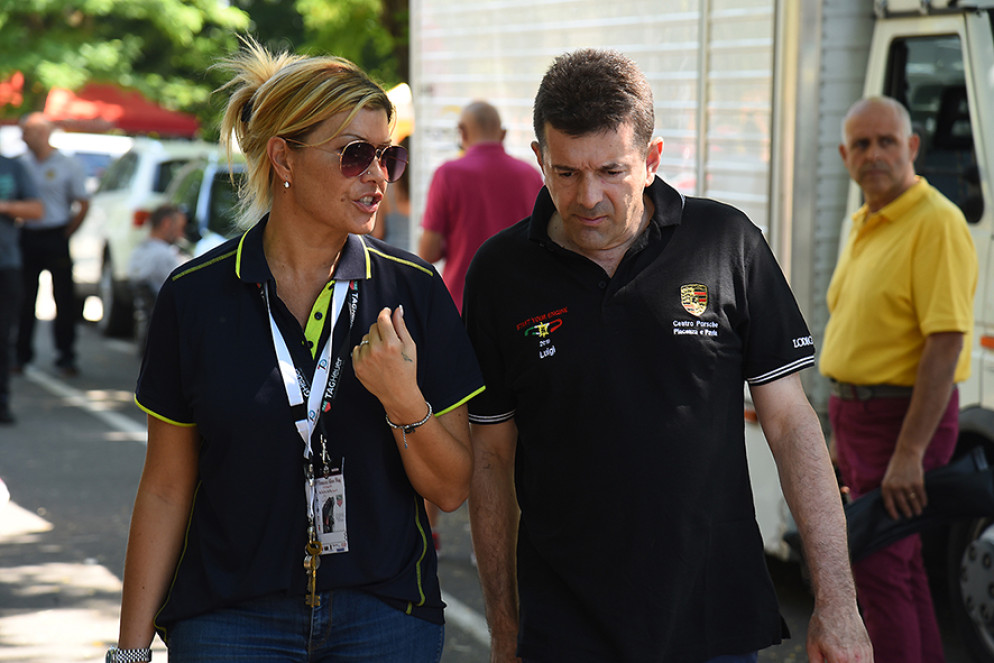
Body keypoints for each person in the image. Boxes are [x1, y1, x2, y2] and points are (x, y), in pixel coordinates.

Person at [463, 49, 872, 663]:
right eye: (566, 172)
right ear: (538, 159)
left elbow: (791, 424)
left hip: (712, 619)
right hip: (564, 630)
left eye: (612, 170)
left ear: (652, 159)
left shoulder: (726, 242)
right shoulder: (500, 273)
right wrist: (503, 630)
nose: (588, 197)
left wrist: (838, 601)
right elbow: (491, 457)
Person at [110, 37, 484, 663]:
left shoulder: (413, 290)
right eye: (354, 154)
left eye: (388, 156)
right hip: (229, 621)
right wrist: (129, 652)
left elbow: (450, 489)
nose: (377, 176)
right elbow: (166, 488)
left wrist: (403, 401)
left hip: (383, 617)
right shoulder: (194, 295)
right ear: (283, 158)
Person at [820, 96, 977, 663]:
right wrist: (839, 430)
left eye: (887, 141)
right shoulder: (867, 219)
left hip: (903, 422)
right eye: (861, 144)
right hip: (860, 420)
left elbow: (945, 342)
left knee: (878, 570)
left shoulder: (936, 221)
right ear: (845, 156)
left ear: (912, 147)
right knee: (899, 568)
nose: (874, 154)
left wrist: (910, 453)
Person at [418, 101, 543, 313]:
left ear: (462, 132)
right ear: (503, 134)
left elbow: (428, 252)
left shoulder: (448, 174)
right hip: (520, 304)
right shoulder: (530, 175)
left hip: (462, 305)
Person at [16, 112, 89, 377]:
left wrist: (68, 232)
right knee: (24, 298)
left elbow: (83, 202)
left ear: (42, 133)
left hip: (56, 234)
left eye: (27, 132)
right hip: (28, 234)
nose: (23, 137)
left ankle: (65, 355)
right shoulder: (21, 163)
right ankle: (20, 355)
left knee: (64, 298)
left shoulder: (67, 164)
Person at [0, 155, 44, 424]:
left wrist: (5, 206)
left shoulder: (13, 167)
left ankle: (2, 401)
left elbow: (37, 210)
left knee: (3, 336)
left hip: (6, 264)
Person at [127, 203, 188, 295]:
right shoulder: (164, 256)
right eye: (181, 228)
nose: (182, 234)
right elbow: (183, 291)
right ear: (166, 224)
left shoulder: (137, 252)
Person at [372, 135, 411, 248]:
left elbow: (378, 233)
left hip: (391, 253)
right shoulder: (425, 193)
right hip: (418, 255)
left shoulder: (387, 190)